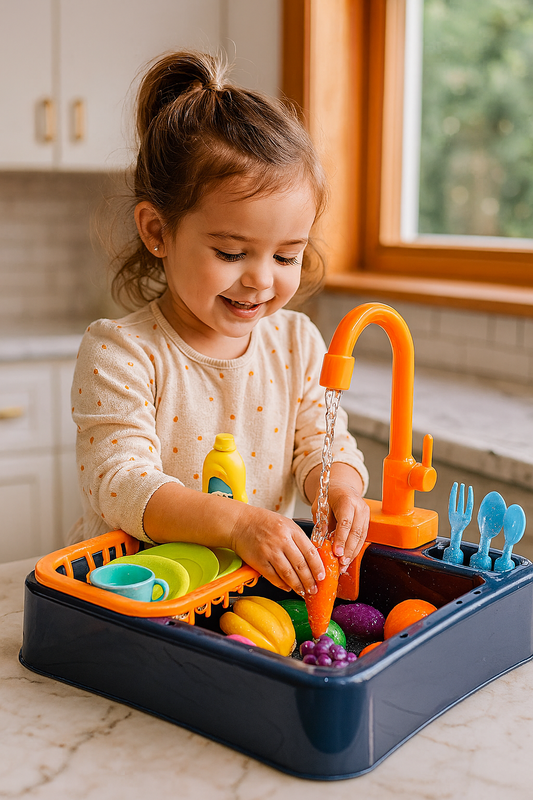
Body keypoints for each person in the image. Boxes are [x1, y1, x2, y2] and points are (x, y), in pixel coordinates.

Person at [70, 50, 369, 597]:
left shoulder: (297, 343)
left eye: (286, 257)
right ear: (157, 231)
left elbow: (323, 447)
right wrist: (239, 524)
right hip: (141, 602)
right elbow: (122, 483)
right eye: (232, 253)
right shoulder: (122, 353)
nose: (261, 280)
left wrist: (344, 491)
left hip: (244, 593)